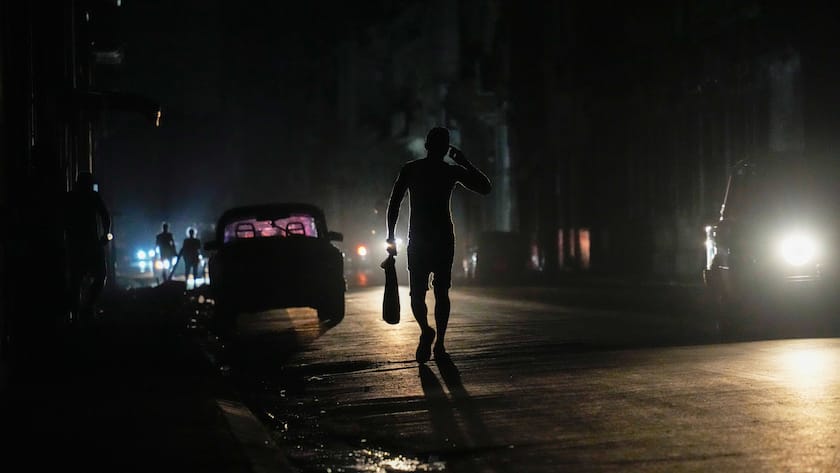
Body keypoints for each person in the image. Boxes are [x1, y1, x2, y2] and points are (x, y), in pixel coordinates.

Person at [386, 127, 491, 363]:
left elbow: (394, 204)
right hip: (441, 239)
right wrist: (465, 163)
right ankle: (437, 341)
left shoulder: (413, 169)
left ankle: (429, 333)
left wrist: (391, 236)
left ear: (426, 146)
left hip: (422, 239)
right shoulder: (448, 172)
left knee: (418, 294)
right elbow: (485, 187)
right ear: (445, 149)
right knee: (440, 292)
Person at [64, 171, 112, 323]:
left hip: (76, 244)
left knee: (76, 280)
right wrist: (106, 234)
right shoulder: (92, 197)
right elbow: (105, 216)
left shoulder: (70, 198)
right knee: (100, 275)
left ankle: (77, 312)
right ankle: (86, 307)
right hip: (91, 244)